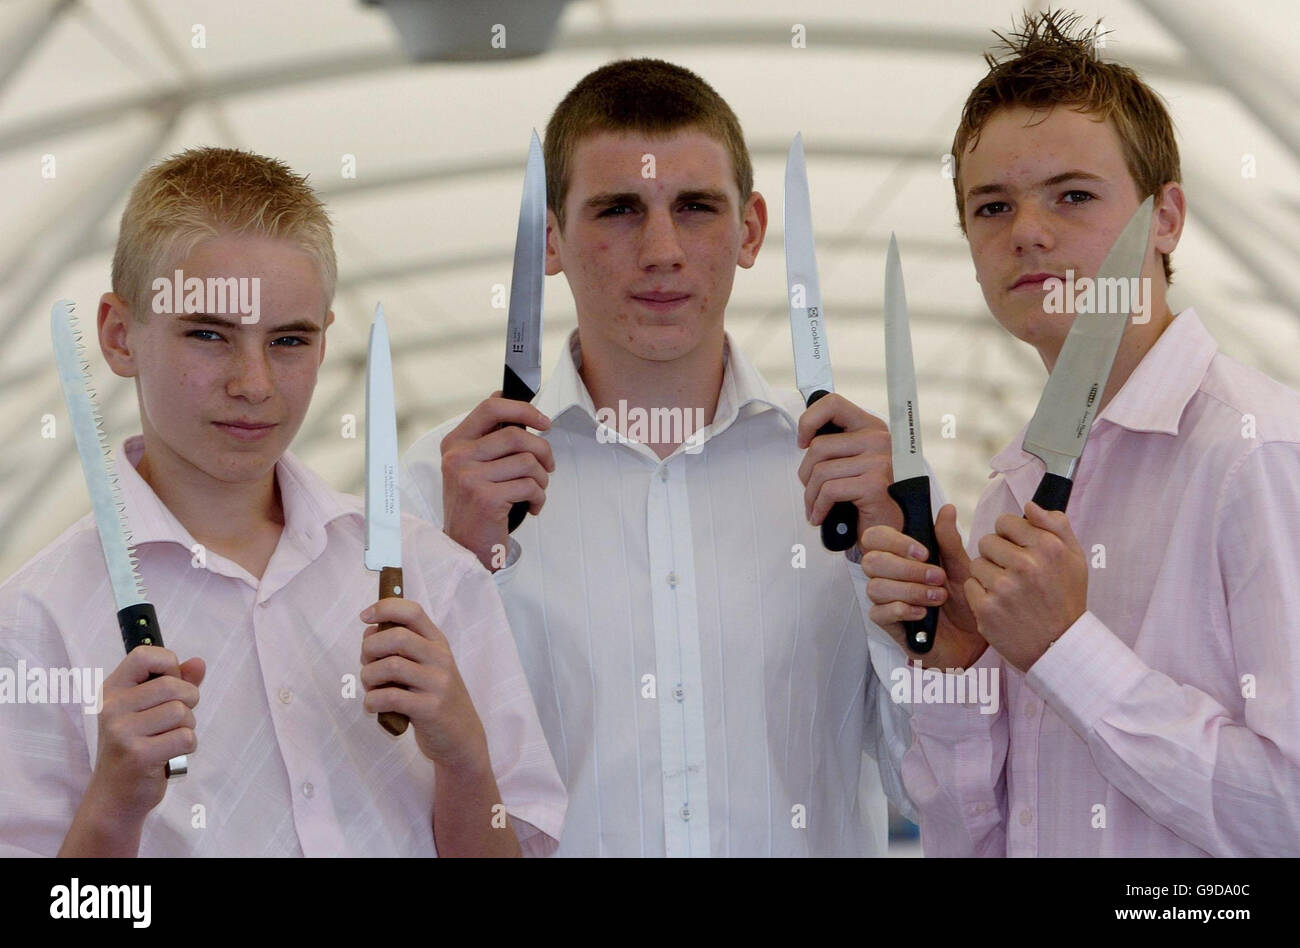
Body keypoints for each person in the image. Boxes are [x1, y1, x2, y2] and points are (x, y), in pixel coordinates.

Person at [402, 58, 928, 856]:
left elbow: (930, 787)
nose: (661, 249)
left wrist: (894, 582)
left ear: (750, 230)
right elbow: (389, 797)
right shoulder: (437, 491)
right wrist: (461, 573)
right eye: (617, 210)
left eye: (696, 208)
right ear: (550, 236)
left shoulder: (856, 483)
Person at [0, 147, 565, 857]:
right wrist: (112, 810)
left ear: (326, 341)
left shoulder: (435, 577)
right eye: (209, 334)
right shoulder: (33, 624)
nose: (254, 383)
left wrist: (465, 760)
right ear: (120, 336)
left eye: (288, 340)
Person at [861, 10, 1300, 856]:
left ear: (1164, 218)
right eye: (992, 206)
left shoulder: (1259, 454)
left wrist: (1066, 651)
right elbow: (970, 843)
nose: (1027, 230)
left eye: (1073, 194)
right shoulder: (1006, 503)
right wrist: (956, 669)